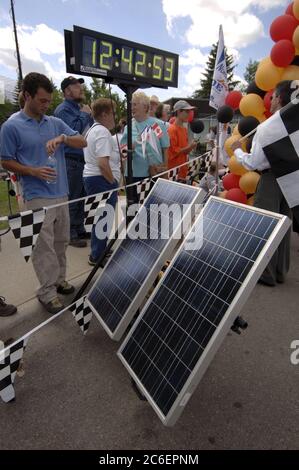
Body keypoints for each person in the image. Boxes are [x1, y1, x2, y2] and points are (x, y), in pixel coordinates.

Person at [0, 72, 87, 314]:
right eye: (42, 101)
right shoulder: (11, 126)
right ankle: (46, 292)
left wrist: (62, 139)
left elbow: (82, 141)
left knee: (61, 241)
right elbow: (6, 161)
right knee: (43, 247)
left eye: (49, 101)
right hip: (36, 195)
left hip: (62, 193)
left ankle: (59, 280)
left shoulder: (54, 123)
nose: (46, 105)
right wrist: (32, 171)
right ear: (27, 96)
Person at [231, 80, 294, 287]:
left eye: (274, 96)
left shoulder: (268, 126)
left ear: (279, 98)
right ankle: (280, 271)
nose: (271, 99)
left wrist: (238, 150)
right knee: (284, 227)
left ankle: (265, 272)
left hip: (271, 179)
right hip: (293, 180)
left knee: (264, 226)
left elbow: (254, 162)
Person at [54, 76, 93, 248]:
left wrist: (87, 116)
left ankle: (79, 228)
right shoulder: (63, 110)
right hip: (70, 160)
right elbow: (73, 133)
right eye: (77, 86)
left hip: (81, 160)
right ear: (67, 91)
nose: (80, 89)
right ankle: (70, 234)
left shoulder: (78, 108)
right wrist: (85, 115)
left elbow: (87, 131)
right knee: (73, 197)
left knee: (81, 196)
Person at [83, 98, 120, 266]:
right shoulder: (103, 132)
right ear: (104, 114)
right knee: (103, 218)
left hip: (93, 179)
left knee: (99, 217)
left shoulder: (92, 130)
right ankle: (97, 255)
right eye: (113, 113)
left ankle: (99, 249)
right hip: (101, 180)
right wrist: (113, 182)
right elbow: (103, 163)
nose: (115, 117)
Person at [120, 91, 169, 201]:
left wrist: (165, 171)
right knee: (134, 209)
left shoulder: (157, 125)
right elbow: (123, 154)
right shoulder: (129, 127)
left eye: (135, 104)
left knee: (153, 209)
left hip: (155, 174)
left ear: (145, 107)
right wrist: (128, 150)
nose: (132, 107)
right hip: (134, 176)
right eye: (131, 104)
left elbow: (165, 148)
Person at [167, 100, 198, 182]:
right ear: (179, 111)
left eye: (189, 111)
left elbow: (185, 151)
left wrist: (191, 147)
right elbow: (174, 151)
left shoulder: (184, 129)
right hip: (174, 172)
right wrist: (190, 146)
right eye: (187, 111)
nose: (189, 114)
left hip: (183, 170)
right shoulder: (172, 129)